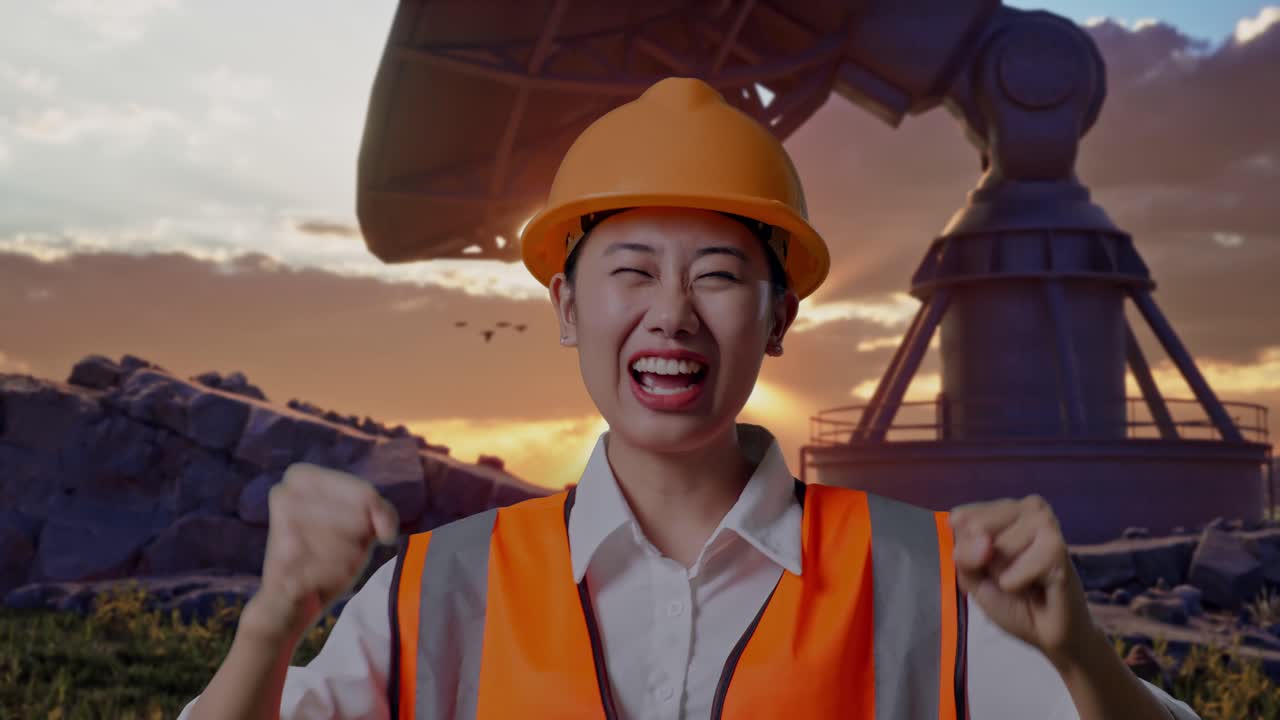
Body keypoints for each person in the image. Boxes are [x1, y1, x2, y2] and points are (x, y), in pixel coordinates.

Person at [179, 77, 1201, 719]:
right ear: (567, 306)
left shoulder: (926, 581)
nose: (669, 312)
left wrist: (1077, 659)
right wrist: (269, 626)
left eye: (715, 272)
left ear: (778, 317)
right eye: (630, 269)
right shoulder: (435, 591)